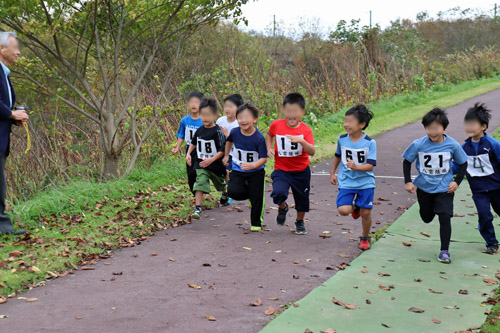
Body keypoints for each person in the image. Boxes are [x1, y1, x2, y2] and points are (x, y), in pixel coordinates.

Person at [402, 108, 468, 264]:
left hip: (445, 187)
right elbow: (406, 161)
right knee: (426, 217)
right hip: (424, 187)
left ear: (444, 128)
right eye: (428, 128)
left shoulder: (452, 145)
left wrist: (456, 181)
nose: (432, 132)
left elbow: (463, 163)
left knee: (445, 216)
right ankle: (430, 209)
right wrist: (408, 181)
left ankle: (444, 251)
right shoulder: (418, 144)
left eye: (436, 128)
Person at [266, 93, 315, 235]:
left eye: (295, 112)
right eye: (288, 111)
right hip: (282, 168)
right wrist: (269, 147)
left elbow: (312, 152)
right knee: (278, 193)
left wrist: (302, 141)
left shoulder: (306, 130)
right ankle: (283, 207)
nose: (291, 115)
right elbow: (269, 135)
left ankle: (299, 222)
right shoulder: (277, 125)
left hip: (301, 170)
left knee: (302, 198)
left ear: (303, 112)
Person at [330, 104, 376, 251]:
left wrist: (356, 167)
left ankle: (365, 237)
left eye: (350, 122)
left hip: (365, 182)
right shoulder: (342, 139)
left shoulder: (370, 142)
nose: (346, 125)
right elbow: (338, 156)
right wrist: (332, 172)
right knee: (343, 210)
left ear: (362, 124)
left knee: (366, 212)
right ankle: (355, 206)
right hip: (346, 181)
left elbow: (370, 166)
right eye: (345, 121)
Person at [459, 103, 500, 255]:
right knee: (484, 215)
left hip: (497, 187)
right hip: (479, 190)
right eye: (467, 124)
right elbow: (458, 165)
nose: (469, 128)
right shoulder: (464, 147)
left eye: (473, 125)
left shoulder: (493, 144)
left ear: (483, 126)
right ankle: (491, 243)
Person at [0, 32, 28, 235]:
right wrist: (10, 112)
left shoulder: (4, 73)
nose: (18, 52)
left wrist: (13, 118)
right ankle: (4, 229)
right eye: (15, 47)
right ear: (2, 49)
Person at [223, 103, 268, 232]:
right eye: (240, 118)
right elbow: (229, 141)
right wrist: (226, 155)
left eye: (247, 117)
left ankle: (256, 223)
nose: (243, 121)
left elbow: (264, 158)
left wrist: (253, 165)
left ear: (254, 119)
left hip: (256, 171)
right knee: (232, 191)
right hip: (238, 168)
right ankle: (250, 194)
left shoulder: (259, 138)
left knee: (257, 199)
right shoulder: (235, 132)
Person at [186, 97, 228, 219]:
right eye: (203, 115)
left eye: (208, 115)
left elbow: (222, 149)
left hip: (216, 165)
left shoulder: (217, 132)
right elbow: (193, 143)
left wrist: (212, 159)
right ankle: (198, 208)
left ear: (215, 116)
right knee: (199, 182)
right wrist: (188, 154)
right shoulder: (199, 130)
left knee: (221, 185)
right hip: (201, 163)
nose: (205, 118)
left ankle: (225, 192)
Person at [171, 91, 204, 194]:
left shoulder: (204, 120)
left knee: (200, 173)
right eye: (191, 102)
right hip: (189, 151)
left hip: (201, 151)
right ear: (188, 104)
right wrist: (177, 148)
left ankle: (201, 193)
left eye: (197, 102)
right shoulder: (184, 120)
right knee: (191, 175)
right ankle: (196, 194)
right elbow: (181, 135)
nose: (194, 105)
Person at [217, 94, 243, 205]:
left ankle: (229, 192)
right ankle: (226, 191)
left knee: (227, 172)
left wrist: (227, 134)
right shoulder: (220, 121)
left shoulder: (239, 123)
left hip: (234, 153)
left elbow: (240, 141)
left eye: (231, 106)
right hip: (220, 152)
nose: (227, 109)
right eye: (226, 106)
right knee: (222, 174)